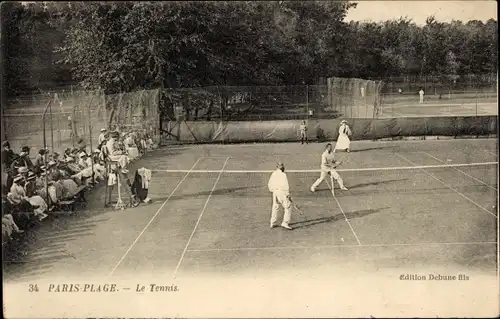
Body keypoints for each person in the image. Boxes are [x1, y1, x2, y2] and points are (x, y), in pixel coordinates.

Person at [267, 162, 293, 230]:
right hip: (282, 192)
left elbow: (269, 184)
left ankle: (272, 222)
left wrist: (273, 191)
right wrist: (288, 195)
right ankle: (285, 222)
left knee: (275, 207)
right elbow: (285, 186)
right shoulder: (283, 175)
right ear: (281, 167)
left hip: (275, 192)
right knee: (288, 206)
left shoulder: (273, 174)